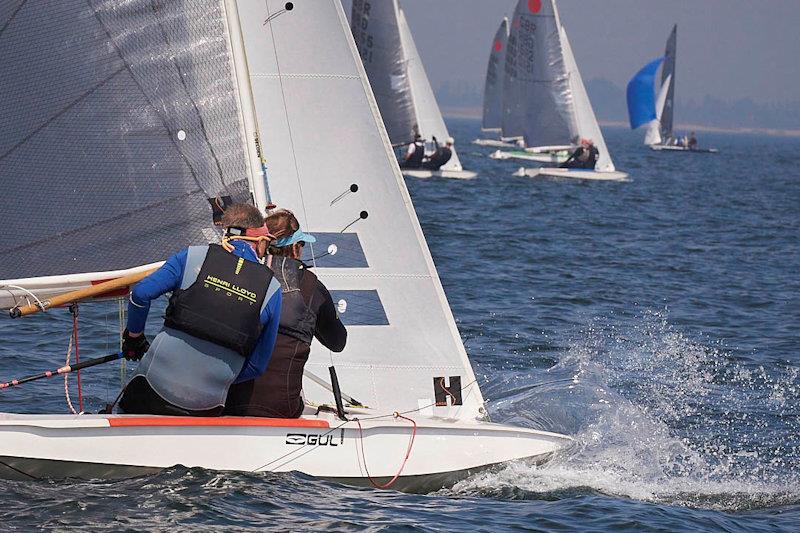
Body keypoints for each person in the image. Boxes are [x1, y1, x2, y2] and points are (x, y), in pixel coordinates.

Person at [118, 203, 283, 416]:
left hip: (151, 389)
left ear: (228, 231)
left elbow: (140, 295)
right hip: (207, 405)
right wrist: (215, 381)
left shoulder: (192, 256)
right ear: (259, 240)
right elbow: (258, 366)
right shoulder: (273, 289)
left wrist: (134, 338)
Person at [225, 209, 347, 419]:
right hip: (281, 408)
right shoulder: (312, 287)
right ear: (295, 249)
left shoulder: (236, 274)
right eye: (302, 244)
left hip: (224, 401)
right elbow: (338, 342)